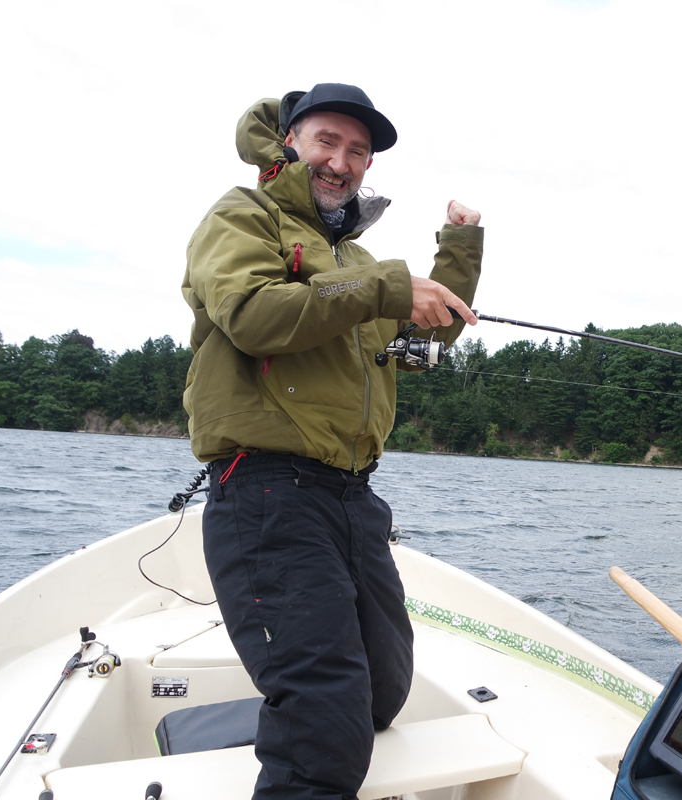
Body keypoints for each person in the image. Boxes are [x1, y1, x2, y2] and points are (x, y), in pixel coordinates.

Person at [180, 82, 482, 800]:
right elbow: (252, 314)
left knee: (381, 691)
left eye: (358, 151)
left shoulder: (352, 259)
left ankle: (302, 713)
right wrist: (382, 288)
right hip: (267, 494)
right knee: (327, 718)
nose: (342, 161)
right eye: (327, 141)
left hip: (351, 498)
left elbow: (418, 328)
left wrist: (460, 250)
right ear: (289, 142)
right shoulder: (241, 215)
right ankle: (303, 733)